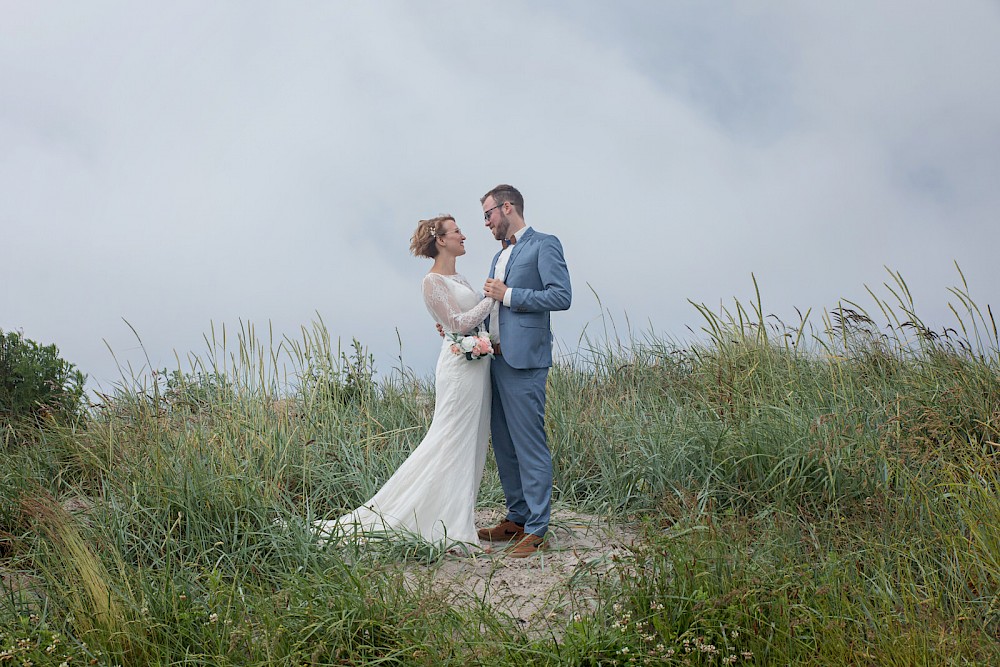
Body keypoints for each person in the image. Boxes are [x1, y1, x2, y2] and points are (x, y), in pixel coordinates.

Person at [315, 215, 496, 548]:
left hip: (477, 366)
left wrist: (486, 327)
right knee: (449, 439)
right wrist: (493, 298)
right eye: (457, 231)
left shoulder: (459, 276)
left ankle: (454, 515)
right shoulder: (431, 282)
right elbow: (456, 323)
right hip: (459, 369)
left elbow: (466, 323)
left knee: (469, 441)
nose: (463, 235)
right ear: (441, 240)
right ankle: (441, 523)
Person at [476, 184, 572, 557]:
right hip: (493, 360)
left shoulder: (544, 244)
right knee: (504, 444)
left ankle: (537, 528)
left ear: (508, 206)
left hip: (526, 362)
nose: (486, 223)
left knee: (529, 443)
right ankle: (516, 518)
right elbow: (490, 308)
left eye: (488, 214)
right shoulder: (497, 257)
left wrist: (510, 295)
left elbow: (561, 296)